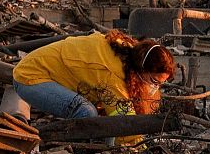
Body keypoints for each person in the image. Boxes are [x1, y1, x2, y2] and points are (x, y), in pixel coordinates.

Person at [12, 31, 175, 128]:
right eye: (154, 81)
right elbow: (123, 122)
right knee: (86, 112)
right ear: (142, 69)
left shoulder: (128, 52)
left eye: (160, 83)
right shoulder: (110, 72)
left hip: (45, 71)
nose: (155, 87)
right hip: (30, 77)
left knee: (100, 110)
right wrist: (139, 144)